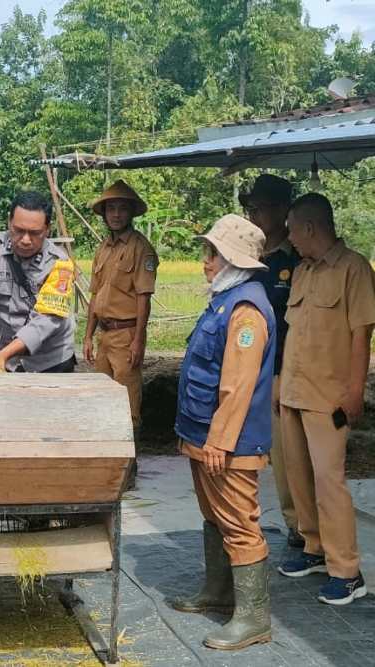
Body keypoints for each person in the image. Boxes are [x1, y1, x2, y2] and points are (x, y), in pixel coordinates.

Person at [169, 214, 275, 651]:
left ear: (232, 259)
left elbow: (238, 385)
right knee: (215, 516)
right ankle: (218, 592)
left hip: (228, 444)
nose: (205, 262)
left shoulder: (246, 310)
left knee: (240, 524)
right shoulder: (224, 299)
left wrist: (219, 440)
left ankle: (253, 618)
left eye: (211, 253)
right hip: (203, 434)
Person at [277, 193, 374, 606]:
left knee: (329, 483)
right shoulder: (302, 270)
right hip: (294, 393)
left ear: (311, 228)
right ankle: (314, 548)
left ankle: (347, 571)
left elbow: (361, 334)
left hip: (329, 397)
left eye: (293, 229)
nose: (290, 238)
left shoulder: (353, 269)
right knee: (298, 477)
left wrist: (355, 391)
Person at [239, 174, 303, 548]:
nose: (253, 215)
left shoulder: (295, 260)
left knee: (288, 456)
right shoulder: (249, 257)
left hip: (281, 370)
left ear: (281, 211)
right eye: (250, 209)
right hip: (250, 369)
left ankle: (299, 527)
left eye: (258, 208)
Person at [0, 191, 76, 373]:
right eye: (18, 230)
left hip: (50, 361)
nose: (25, 240)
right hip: (6, 360)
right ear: (9, 223)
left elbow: (47, 320)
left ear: (47, 229)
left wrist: (5, 354)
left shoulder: (60, 263)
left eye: (34, 233)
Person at [83, 180, 157, 429]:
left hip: (126, 335)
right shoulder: (103, 248)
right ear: (104, 213)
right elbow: (95, 295)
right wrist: (87, 336)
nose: (116, 214)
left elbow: (143, 298)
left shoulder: (141, 249)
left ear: (131, 213)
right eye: (111, 208)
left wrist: (138, 340)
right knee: (102, 401)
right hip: (105, 335)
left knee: (127, 405)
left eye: (122, 208)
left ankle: (130, 464)